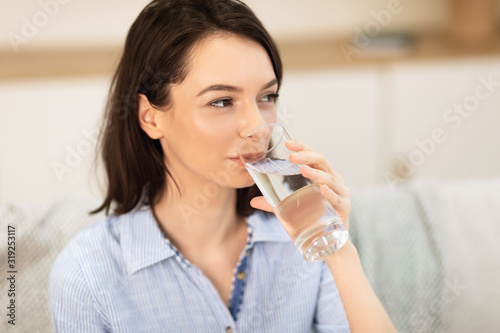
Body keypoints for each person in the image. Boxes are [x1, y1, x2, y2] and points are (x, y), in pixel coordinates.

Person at [49, 0, 397, 332]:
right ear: (150, 117)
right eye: (221, 101)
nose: (254, 126)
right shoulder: (87, 274)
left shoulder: (305, 238)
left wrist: (339, 250)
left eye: (267, 97)